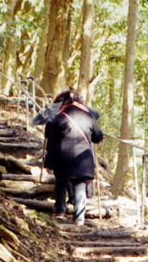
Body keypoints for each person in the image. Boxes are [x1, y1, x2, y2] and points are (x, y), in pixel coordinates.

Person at [42, 88, 104, 226]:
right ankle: (79, 218)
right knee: (79, 185)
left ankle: (59, 211)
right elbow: (98, 137)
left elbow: (51, 142)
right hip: (84, 157)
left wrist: (48, 162)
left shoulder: (59, 117)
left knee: (60, 182)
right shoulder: (89, 116)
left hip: (62, 156)